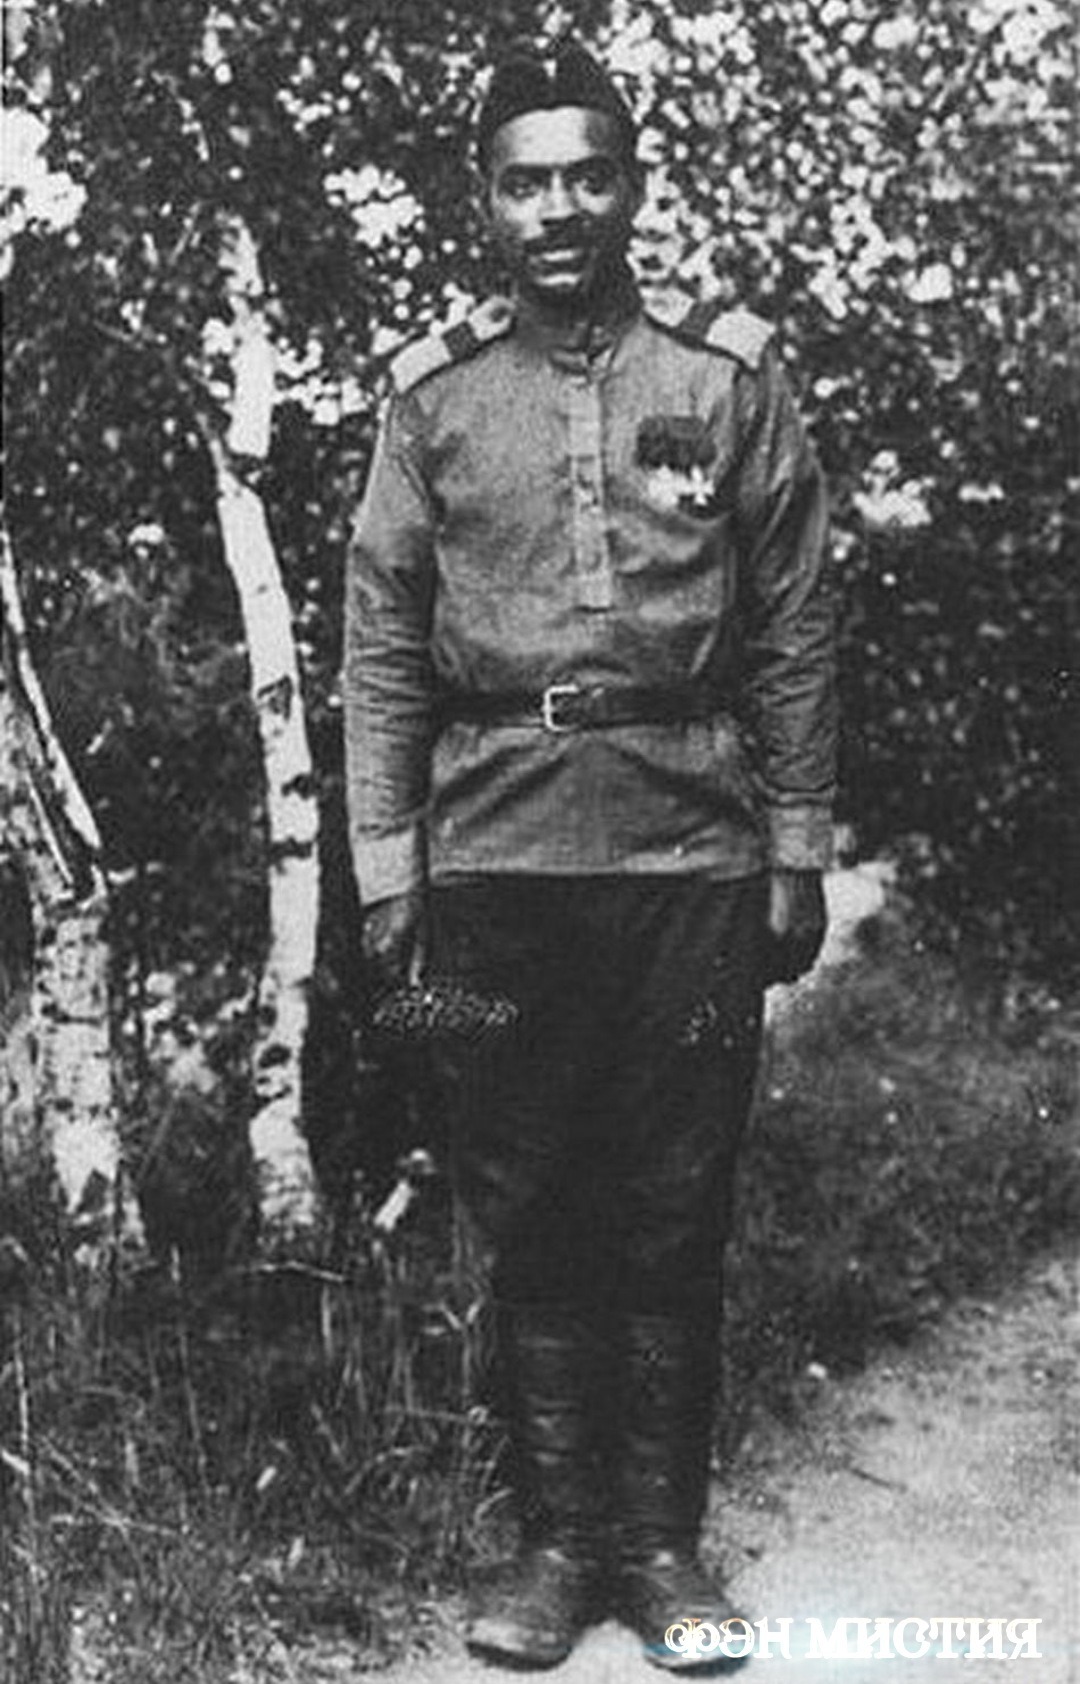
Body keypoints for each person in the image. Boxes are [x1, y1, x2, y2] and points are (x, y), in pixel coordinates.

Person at [344, 36, 836, 1674]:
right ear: (484, 202)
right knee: (529, 1194)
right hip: (495, 862)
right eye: (524, 181)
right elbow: (381, 649)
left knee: (677, 1198)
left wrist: (796, 842)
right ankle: (560, 1550)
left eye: (587, 176)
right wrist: (389, 869)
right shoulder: (433, 402)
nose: (558, 209)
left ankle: (667, 1551)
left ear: (632, 187)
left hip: (691, 856)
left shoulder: (725, 383)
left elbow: (794, 628)